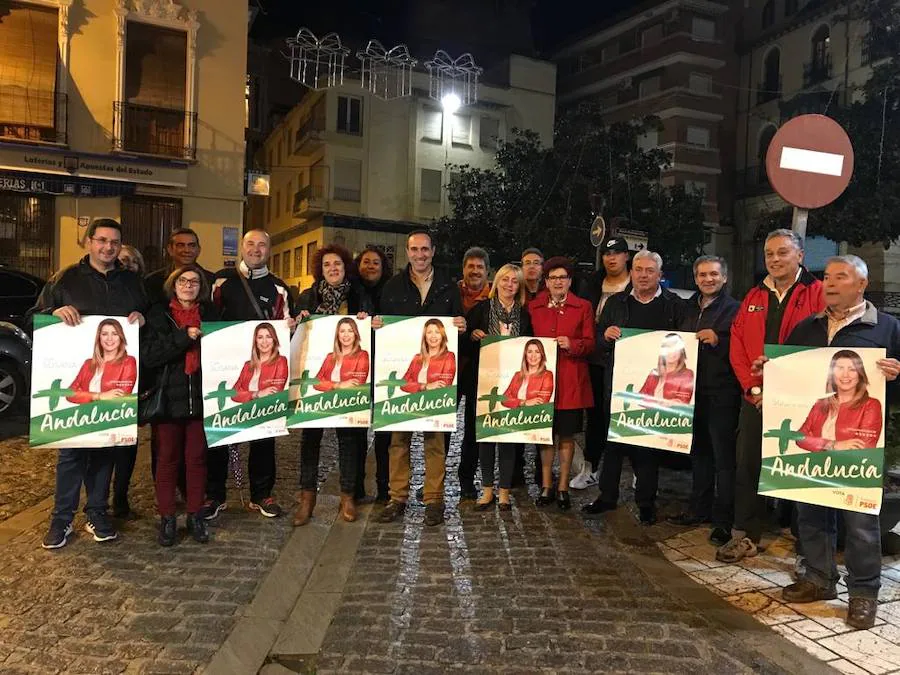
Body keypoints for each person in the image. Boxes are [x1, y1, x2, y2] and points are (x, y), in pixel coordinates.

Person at [756, 255, 900, 630]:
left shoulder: (886, 329)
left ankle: (864, 593)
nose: (830, 284)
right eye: (826, 277)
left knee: (860, 522)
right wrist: (767, 370)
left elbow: (893, 394)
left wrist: (898, 375)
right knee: (811, 514)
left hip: (860, 453)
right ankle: (819, 579)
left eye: (841, 277)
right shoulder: (806, 328)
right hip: (817, 451)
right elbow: (790, 379)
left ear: (862, 284)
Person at [31, 218, 147, 549]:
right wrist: (53, 312)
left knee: (104, 454)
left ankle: (98, 512)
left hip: (117, 394)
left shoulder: (131, 282)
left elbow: (148, 316)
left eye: (114, 242)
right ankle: (61, 520)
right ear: (88, 242)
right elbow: (33, 316)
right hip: (81, 385)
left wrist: (142, 317)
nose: (108, 247)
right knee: (70, 456)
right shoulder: (66, 278)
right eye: (102, 240)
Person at [717, 229, 824, 563]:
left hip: (803, 399)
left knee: (802, 464)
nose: (774, 260)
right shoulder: (753, 296)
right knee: (747, 464)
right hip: (757, 398)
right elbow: (738, 345)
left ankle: (806, 538)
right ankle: (745, 535)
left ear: (800, 256)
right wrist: (754, 388)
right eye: (769, 254)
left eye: (782, 253)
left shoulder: (818, 294)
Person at [585, 250, 686, 525]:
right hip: (620, 385)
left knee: (647, 447)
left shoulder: (673, 305)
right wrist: (605, 336)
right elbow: (598, 339)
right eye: (638, 269)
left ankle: (646, 503)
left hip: (656, 390)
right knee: (613, 444)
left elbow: (685, 344)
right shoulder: (616, 303)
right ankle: (607, 497)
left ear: (659, 275)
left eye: (649, 270)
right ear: (631, 273)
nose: (643, 275)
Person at [373, 230, 465, 527]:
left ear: (433, 251)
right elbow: (382, 324)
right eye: (414, 249)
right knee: (397, 441)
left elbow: (457, 327)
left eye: (425, 249)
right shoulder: (392, 286)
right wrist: (376, 325)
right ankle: (397, 498)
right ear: (408, 252)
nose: (420, 254)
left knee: (435, 442)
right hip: (408, 379)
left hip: (440, 385)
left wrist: (460, 325)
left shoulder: (448, 288)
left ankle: (434, 500)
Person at [206, 229, 294, 520]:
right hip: (228, 371)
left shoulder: (279, 288)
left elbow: (284, 331)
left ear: (269, 249)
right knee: (219, 433)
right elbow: (208, 320)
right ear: (241, 248)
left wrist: (291, 327)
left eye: (262, 245)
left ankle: (261, 494)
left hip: (267, 373)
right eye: (250, 244)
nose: (256, 249)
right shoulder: (220, 281)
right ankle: (214, 495)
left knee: (263, 436)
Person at [293, 243, 372, 527]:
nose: (333, 268)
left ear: (345, 266)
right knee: (309, 441)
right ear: (320, 269)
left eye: (337, 263)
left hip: (350, 388)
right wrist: (297, 321)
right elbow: (294, 335)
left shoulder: (359, 295)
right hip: (320, 384)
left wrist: (366, 321)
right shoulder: (307, 297)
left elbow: (371, 333)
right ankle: (307, 499)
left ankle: (348, 496)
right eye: (327, 264)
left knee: (349, 440)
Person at [141, 264, 218, 546]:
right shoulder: (159, 315)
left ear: (201, 287)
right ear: (173, 285)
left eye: (195, 281)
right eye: (183, 281)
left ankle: (196, 514)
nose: (188, 285)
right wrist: (184, 337)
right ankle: (168, 517)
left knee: (197, 460)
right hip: (168, 400)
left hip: (200, 398)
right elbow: (150, 355)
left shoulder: (211, 314)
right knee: (167, 460)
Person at [666, 256, 741, 545]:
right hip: (689, 392)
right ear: (695, 279)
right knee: (698, 454)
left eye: (713, 274)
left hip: (721, 392)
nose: (707, 279)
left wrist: (720, 339)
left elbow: (745, 345)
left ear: (724, 278)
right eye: (701, 275)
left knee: (724, 458)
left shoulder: (735, 310)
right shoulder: (687, 307)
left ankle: (723, 520)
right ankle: (698, 509)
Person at [464, 263, 535, 510]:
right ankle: (486, 490)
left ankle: (504, 492)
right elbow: (465, 339)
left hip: (513, 384)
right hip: (484, 382)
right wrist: (472, 336)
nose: (509, 285)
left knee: (508, 438)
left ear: (519, 286)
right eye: (505, 279)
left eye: (514, 281)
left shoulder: (525, 315)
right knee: (485, 437)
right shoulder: (481, 309)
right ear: (497, 282)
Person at [529, 256, 595, 511]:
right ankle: (546, 485)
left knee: (566, 436)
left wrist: (574, 344)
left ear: (570, 281)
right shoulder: (534, 307)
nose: (558, 282)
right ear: (546, 281)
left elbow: (591, 343)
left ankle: (563, 486)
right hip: (540, 382)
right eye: (553, 278)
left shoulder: (583, 307)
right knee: (544, 436)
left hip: (571, 382)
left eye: (563, 277)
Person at [572, 236, 631, 491]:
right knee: (595, 419)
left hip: (628, 364)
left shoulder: (636, 283)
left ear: (626, 256)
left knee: (627, 417)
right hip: (595, 361)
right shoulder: (592, 284)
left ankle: (638, 471)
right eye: (607, 254)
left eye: (617, 253)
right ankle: (591, 467)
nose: (612, 257)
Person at [354, 245, 393, 502]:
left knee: (384, 433)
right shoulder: (350, 291)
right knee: (356, 431)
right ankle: (356, 486)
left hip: (385, 366)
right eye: (366, 261)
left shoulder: (392, 292)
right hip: (357, 368)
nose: (370, 266)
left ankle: (383, 487)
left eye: (375, 262)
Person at [457, 247, 492, 499]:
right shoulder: (451, 294)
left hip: (480, 372)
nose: (475, 271)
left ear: (487, 271)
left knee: (473, 429)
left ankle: (466, 478)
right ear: (463, 269)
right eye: (471, 266)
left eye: (479, 267)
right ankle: (433, 482)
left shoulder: (495, 297)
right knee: (441, 428)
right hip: (450, 369)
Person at [796, 350, 882, 452]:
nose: (845, 375)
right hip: (816, 466)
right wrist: (833, 445)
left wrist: (815, 443)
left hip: (850, 467)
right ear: (832, 374)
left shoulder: (871, 405)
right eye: (840, 368)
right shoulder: (820, 404)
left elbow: (864, 447)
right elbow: (799, 437)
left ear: (860, 374)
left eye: (852, 369)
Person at [67, 319, 137, 403]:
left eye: (115, 334)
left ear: (121, 337)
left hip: (111, 415)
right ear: (99, 337)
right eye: (104, 334)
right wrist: (99, 396)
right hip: (86, 414)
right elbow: (69, 393)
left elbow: (123, 397)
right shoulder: (88, 363)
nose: (109, 338)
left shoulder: (128, 362)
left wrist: (84, 395)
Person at [144, 228, 215, 305]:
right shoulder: (153, 281)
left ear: (198, 250)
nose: (187, 250)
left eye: (192, 245)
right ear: (170, 249)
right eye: (180, 245)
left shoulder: (211, 280)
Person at [231, 323, 288, 402]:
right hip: (246, 412)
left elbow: (275, 392)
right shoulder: (247, 365)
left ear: (274, 340)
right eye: (260, 337)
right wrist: (257, 394)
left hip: (268, 411)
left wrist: (245, 394)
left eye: (268, 337)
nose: (264, 341)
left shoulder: (281, 361)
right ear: (256, 341)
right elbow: (233, 394)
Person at [400, 319, 457, 392]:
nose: (433, 336)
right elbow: (402, 384)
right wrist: (425, 386)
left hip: (436, 402)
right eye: (429, 332)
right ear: (425, 336)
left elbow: (444, 386)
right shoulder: (417, 358)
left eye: (437, 332)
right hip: (415, 402)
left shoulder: (449, 356)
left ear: (442, 336)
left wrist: (413, 385)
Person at [638, 332, 694, 403]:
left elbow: (683, 401)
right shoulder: (654, 373)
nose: (672, 352)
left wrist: (654, 402)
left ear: (682, 352)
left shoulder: (687, 374)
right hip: (650, 414)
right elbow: (639, 398)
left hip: (671, 414)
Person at [501, 340, 553, 408]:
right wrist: (524, 403)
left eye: (537, 352)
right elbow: (503, 399)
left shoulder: (547, 375)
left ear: (542, 355)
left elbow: (542, 402)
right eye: (529, 352)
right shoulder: (517, 375)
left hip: (534, 417)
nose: (533, 355)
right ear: (525, 355)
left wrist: (514, 402)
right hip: (515, 417)